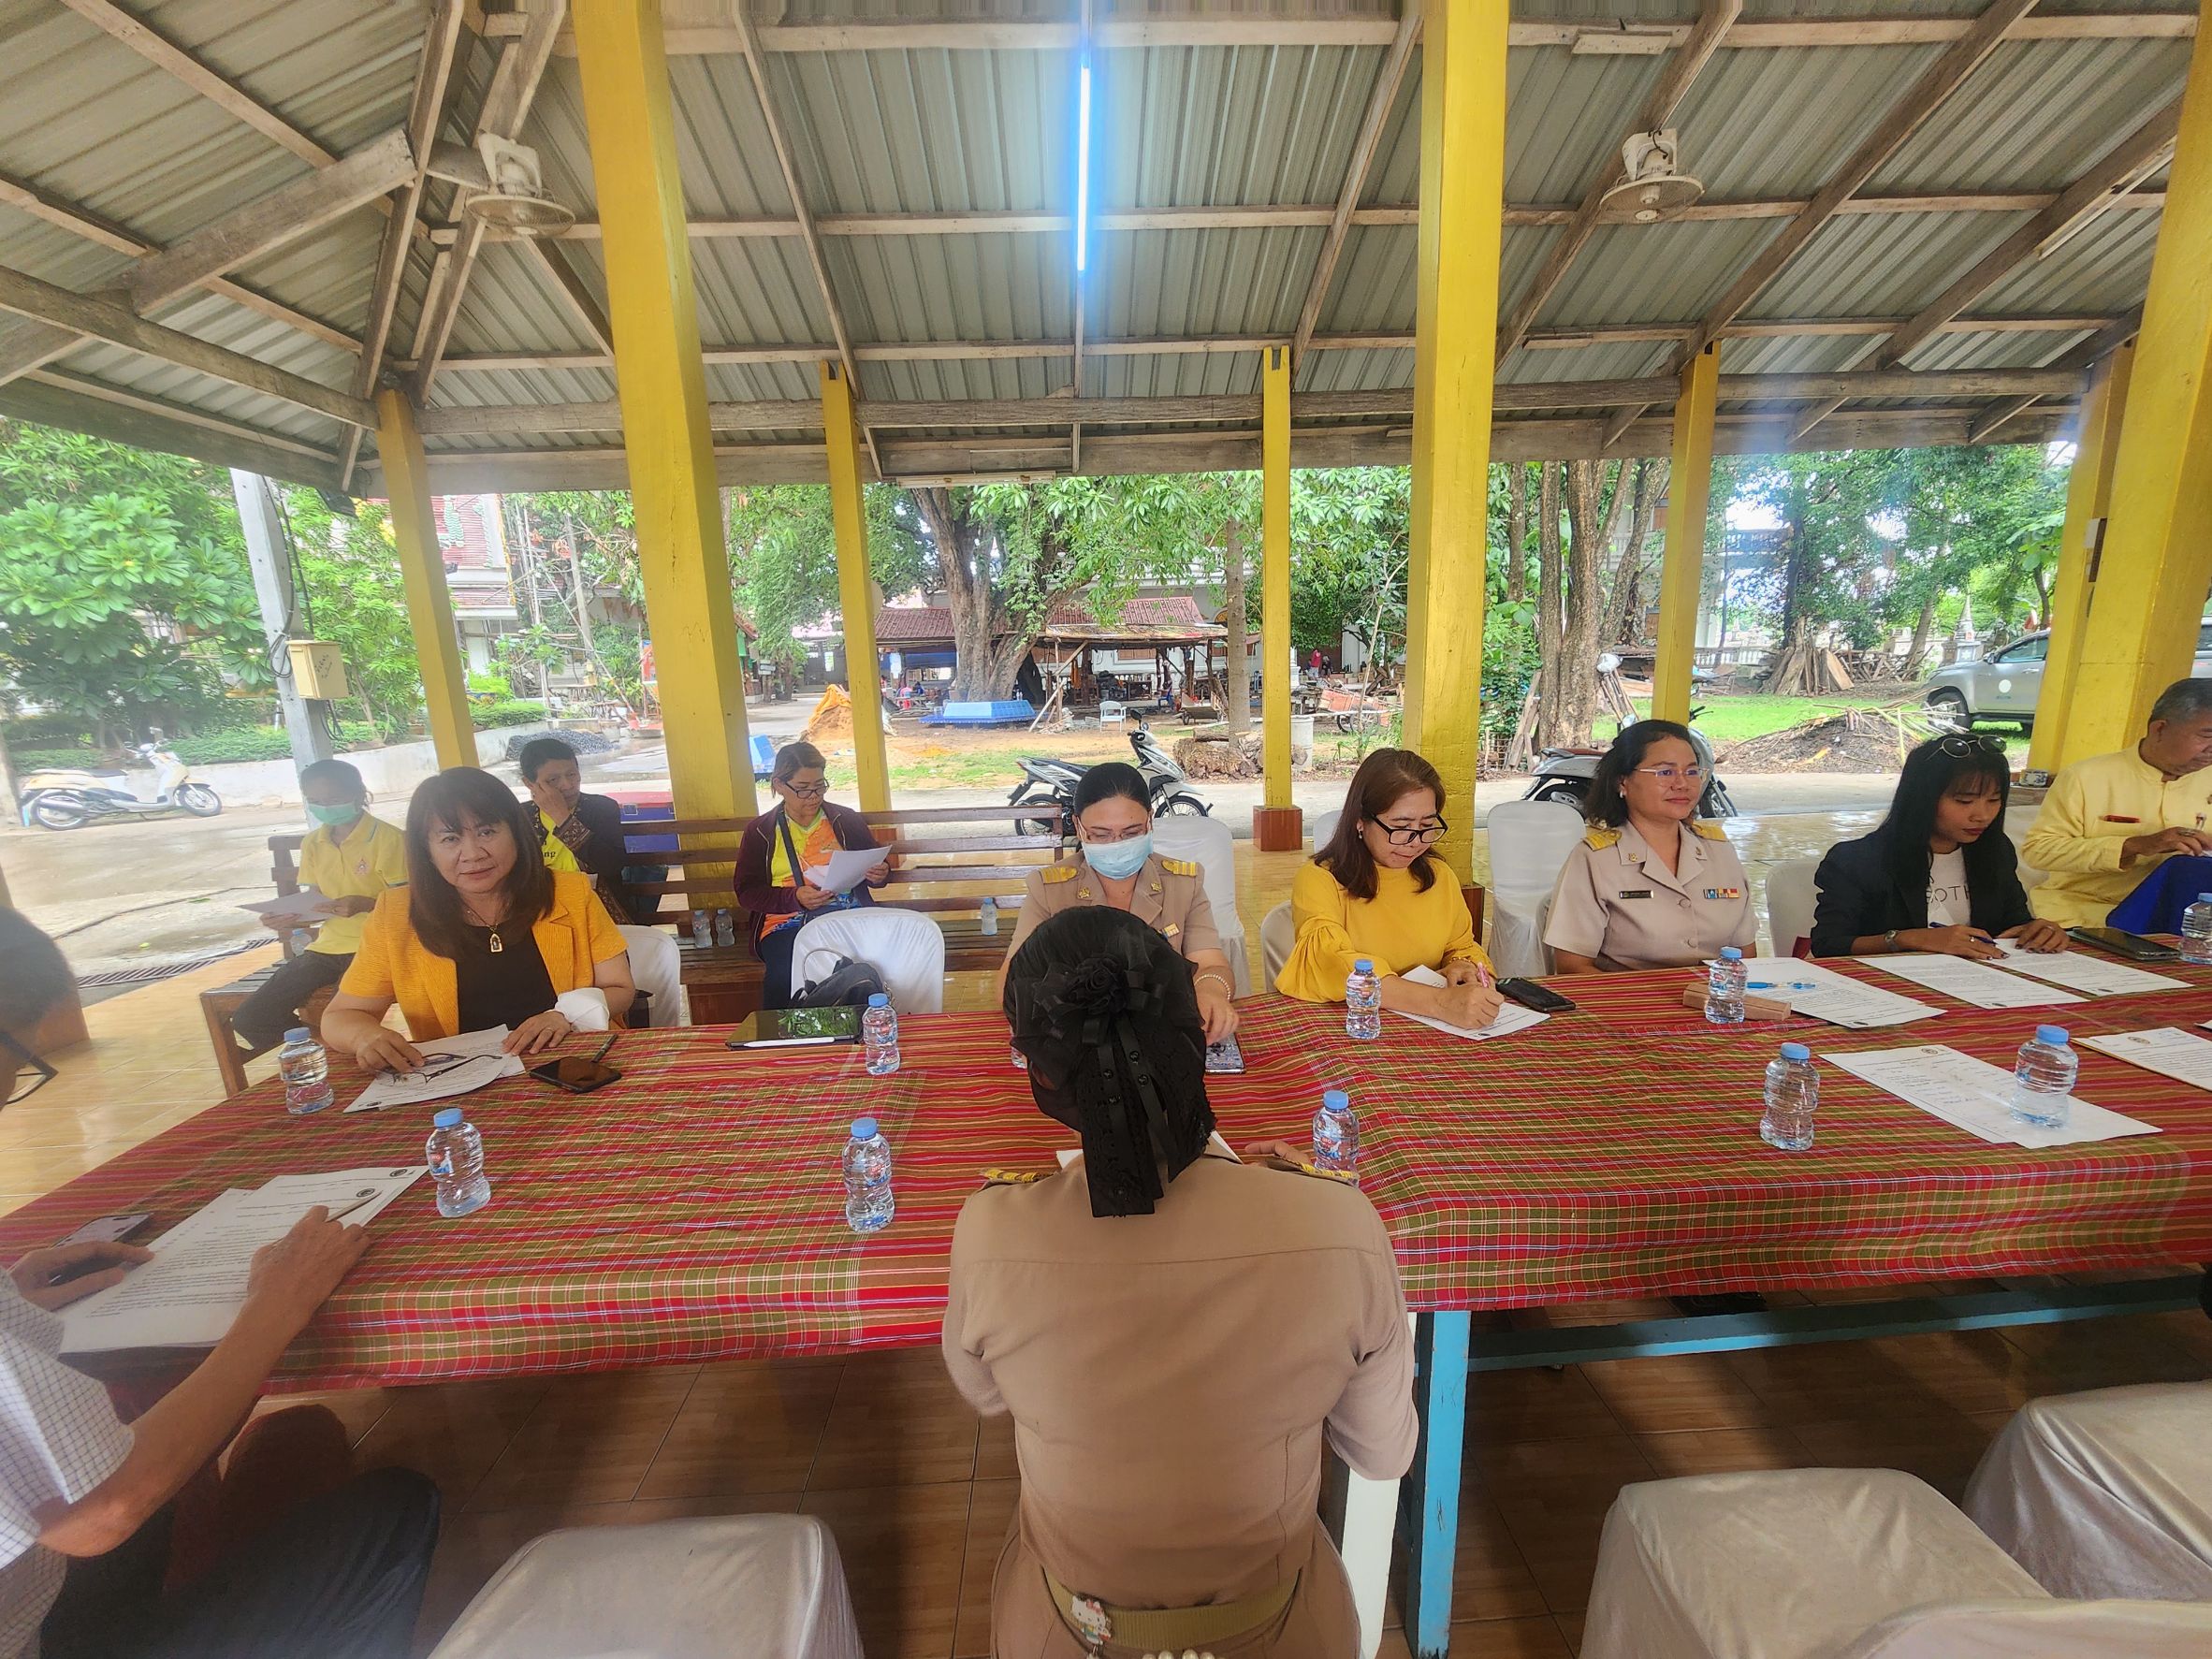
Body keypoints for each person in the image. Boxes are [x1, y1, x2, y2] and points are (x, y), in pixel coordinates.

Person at [945, 910, 1416, 1659]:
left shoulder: (991, 1232)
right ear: (1199, 1033)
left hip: (1068, 1631)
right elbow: (1382, 1452)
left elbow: (987, 1394)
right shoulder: (1341, 1224)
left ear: (1036, 1068)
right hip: (1281, 1629)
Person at [0, 1207, 439, 1659]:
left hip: (31, 1599)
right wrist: (281, 1300)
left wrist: (8, 1311)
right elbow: (102, 1512)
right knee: (392, 1510)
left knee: (286, 1443)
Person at [322, 766, 635, 1070]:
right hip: (461, 1080)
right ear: (426, 850)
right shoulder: (397, 914)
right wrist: (366, 1036)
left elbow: (620, 988)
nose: (472, 854)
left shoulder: (569, 893)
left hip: (574, 1063)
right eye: (449, 839)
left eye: (487, 832)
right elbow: (341, 1016)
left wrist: (566, 1015)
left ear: (516, 832)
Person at [1003, 763, 1239, 1041]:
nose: (1117, 844)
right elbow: (1012, 981)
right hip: (1079, 1037)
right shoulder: (1050, 889)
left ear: (1150, 821)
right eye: (1101, 834)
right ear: (1078, 826)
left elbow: (1210, 963)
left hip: (1161, 1032)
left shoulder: (1183, 883)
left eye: (1131, 833)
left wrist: (1211, 990)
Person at [1275, 749, 1501, 1029]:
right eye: (1401, 826)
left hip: (1432, 1027)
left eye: (1427, 826)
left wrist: (1464, 968)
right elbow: (1330, 962)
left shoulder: (1438, 876)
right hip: (1355, 1028)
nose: (1415, 841)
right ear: (1360, 820)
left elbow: (1461, 946)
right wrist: (1439, 1002)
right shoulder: (1321, 880)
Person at [1810, 734, 2070, 959]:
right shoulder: (1857, 860)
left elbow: (2014, 923)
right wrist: (1910, 939)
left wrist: (2039, 931)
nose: (1982, 815)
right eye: (1964, 801)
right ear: (1922, 800)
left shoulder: (1995, 850)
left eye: (1994, 800)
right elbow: (1829, 944)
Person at [1546, 719, 1758, 973]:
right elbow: (1573, 966)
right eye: (1665, 772)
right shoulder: (1595, 859)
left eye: (1692, 771)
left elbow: (1746, 956)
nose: (1682, 783)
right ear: (1622, 782)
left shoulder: (1720, 851)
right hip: (1631, 1003)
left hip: (1715, 1003)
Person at [233, 760, 408, 1048]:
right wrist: (288, 917)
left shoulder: (389, 839)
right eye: (316, 801)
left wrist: (366, 904)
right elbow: (316, 902)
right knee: (251, 1017)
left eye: (335, 799)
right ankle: (322, 1052)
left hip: (377, 945)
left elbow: (409, 904)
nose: (326, 807)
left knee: (346, 1017)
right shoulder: (314, 842)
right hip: (326, 947)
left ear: (359, 793)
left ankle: (338, 1051)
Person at [2020, 678, 2212, 928]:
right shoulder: (2086, 777)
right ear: (2159, 729)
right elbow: (2039, 851)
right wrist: (2135, 845)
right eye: (2206, 736)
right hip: (2089, 915)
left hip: (2186, 920)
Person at [734, 741, 892, 1008]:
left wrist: (880, 873)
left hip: (850, 915)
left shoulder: (845, 819)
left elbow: (876, 863)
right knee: (785, 970)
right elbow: (746, 892)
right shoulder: (761, 831)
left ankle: (872, 1025)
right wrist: (794, 897)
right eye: (804, 789)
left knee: (885, 957)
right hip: (788, 922)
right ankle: (781, 1036)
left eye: (820, 786)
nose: (815, 796)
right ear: (780, 785)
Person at [517, 736, 654, 926]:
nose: (567, 785)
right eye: (553, 780)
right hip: (544, 913)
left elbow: (611, 865)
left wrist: (563, 819)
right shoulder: (520, 818)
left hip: (600, 909)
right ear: (530, 784)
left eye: (572, 774)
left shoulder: (601, 809)